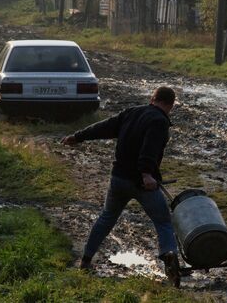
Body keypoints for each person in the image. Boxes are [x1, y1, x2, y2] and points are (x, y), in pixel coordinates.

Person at [61, 86, 180, 286]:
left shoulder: (132, 112)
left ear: (153, 98)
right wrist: (146, 174)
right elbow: (148, 148)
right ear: (171, 105)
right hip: (142, 183)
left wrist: (78, 136)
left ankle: (86, 260)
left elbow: (104, 127)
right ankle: (169, 259)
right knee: (163, 221)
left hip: (118, 180)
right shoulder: (159, 121)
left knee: (107, 218)